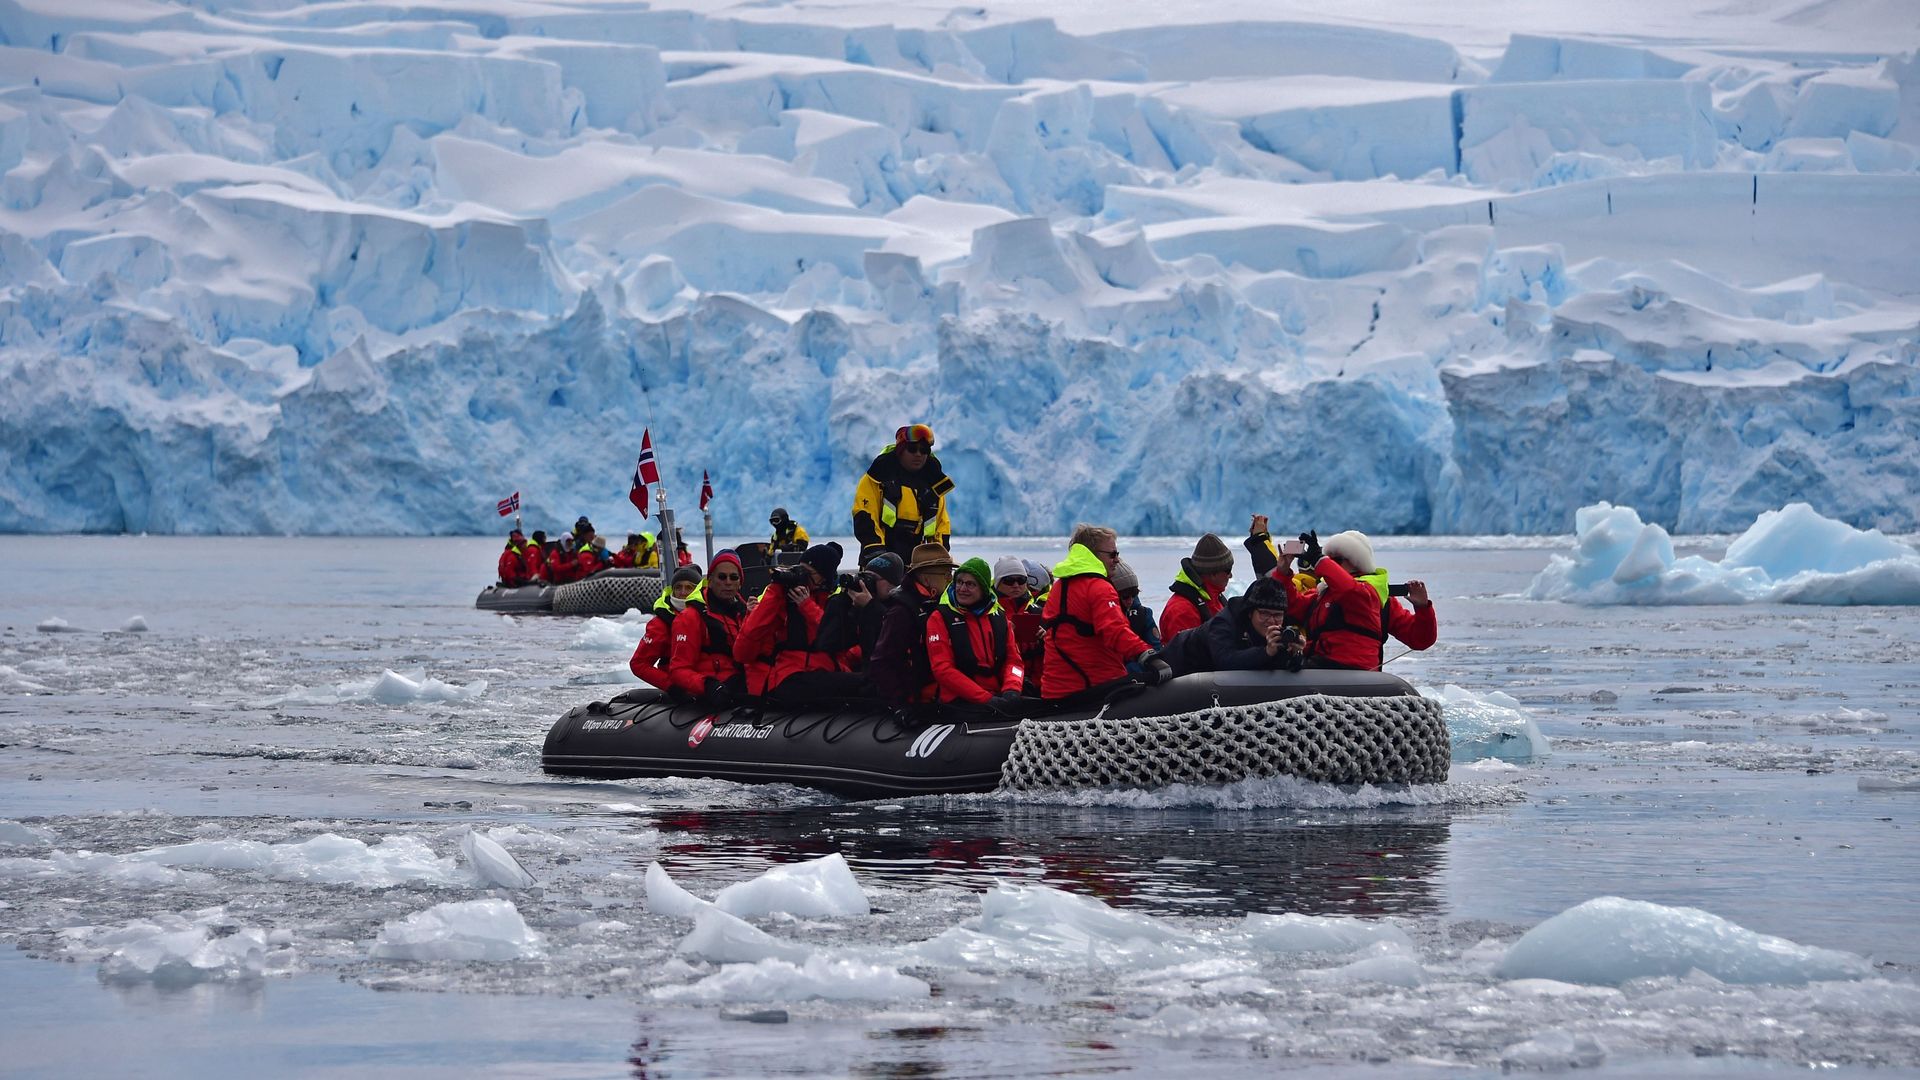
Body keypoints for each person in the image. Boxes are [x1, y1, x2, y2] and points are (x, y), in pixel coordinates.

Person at [1039, 525, 1169, 700]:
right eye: (1113, 554)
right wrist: (1148, 655)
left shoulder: (1059, 587)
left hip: (1056, 693)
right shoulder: (1098, 587)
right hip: (1096, 691)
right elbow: (1115, 630)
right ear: (1094, 554)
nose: (1117, 559)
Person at [1283, 530, 1438, 671]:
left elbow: (1421, 640)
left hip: (1353, 670)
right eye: (1328, 559)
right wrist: (1283, 572)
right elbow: (1291, 605)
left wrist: (1423, 609)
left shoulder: (1368, 595)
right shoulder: (1322, 594)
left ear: (1356, 561)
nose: (1330, 563)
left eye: (1336, 560)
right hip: (1318, 666)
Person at [733, 543, 847, 696]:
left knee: (862, 683)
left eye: (808, 573)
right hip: (785, 677)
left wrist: (807, 606)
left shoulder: (830, 599)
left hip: (817, 672)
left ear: (824, 577)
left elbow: (835, 639)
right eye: (800, 570)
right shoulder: (780, 597)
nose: (802, 577)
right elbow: (742, 653)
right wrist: (775, 591)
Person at [926, 558, 1025, 705]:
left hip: (999, 696)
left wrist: (1012, 688)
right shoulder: (940, 618)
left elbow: (1014, 661)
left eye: (970, 584)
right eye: (959, 582)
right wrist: (985, 699)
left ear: (983, 588)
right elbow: (942, 669)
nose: (962, 588)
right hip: (959, 701)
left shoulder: (999, 617)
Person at [852, 424, 954, 564]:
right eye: (912, 449)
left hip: (919, 565)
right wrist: (876, 554)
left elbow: (942, 526)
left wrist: (938, 558)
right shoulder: (877, 477)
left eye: (924, 450)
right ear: (900, 450)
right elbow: (865, 516)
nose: (918, 454)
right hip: (881, 561)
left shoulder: (934, 484)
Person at [869, 543, 955, 705]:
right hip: (913, 698)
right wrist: (901, 705)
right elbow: (882, 662)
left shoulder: (931, 603)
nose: (950, 579)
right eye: (945, 573)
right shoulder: (902, 611)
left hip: (933, 697)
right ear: (925, 577)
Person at [1163, 577, 1302, 675]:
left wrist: (1295, 654)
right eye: (1264, 613)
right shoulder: (1224, 623)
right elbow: (1225, 661)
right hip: (1178, 662)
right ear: (1250, 613)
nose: (1272, 621)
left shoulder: (1282, 628)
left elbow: (1277, 667)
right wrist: (1266, 652)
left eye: (1277, 615)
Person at [668, 550, 750, 703]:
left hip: (741, 685)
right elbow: (678, 670)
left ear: (740, 583)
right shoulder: (690, 617)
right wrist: (707, 686)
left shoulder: (747, 614)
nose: (728, 582)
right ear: (710, 581)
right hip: (712, 691)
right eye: (721, 577)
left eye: (733, 577)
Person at [817, 551, 905, 671]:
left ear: (892, 583)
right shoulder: (856, 604)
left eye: (873, 579)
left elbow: (891, 643)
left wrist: (871, 607)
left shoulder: (901, 607)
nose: (867, 583)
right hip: (861, 672)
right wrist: (844, 600)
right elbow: (827, 643)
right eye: (865, 577)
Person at [629, 566, 704, 689]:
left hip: (708, 684)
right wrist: (670, 686)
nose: (683, 592)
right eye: (678, 587)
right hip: (681, 689)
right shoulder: (661, 623)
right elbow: (638, 663)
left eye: (689, 587)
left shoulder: (710, 615)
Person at [1159, 533, 1233, 640]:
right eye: (1228, 571)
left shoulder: (1214, 598)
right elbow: (1185, 654)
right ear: (1212, 573)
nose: (1230, 575)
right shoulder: (1181, 611)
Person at [1109, 559, 1161, 652]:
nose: (1130, 601)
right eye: (1125, 596)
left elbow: (1156, 649)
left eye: (1134, 594)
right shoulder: (1105, 619)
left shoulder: (1143, 615)